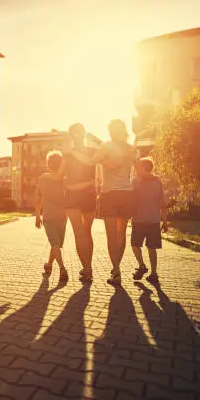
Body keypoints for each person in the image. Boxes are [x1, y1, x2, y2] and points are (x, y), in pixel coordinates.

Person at [69, 119, 137, 286]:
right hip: (127, 194)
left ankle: (116, 270)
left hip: (110, 195)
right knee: (121, 235)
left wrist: (71, 152)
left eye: (112, 130)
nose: (111, 133)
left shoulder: (106, 147)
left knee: (112, 236)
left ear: (115, 131)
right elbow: (129, 166)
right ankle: (116, 269)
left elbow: (89, 162)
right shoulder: (131, 149)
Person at [60, 123, 99, 282]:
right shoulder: (67, 155)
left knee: (86, 232)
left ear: (84, 132)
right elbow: (61, 175)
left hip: (88, 195)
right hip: (73, 196)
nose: (77, 134)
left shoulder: (92, 152)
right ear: (71, 135)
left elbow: (94, 170)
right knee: (79, 233)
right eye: (74, 132)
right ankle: (87, 268)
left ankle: (87, 267)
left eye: (79, 131)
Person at [131, 158, 169, 284]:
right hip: (153, 219)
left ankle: (143, 266)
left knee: (135, 245)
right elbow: (162, 203)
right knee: (150, 247)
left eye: (138, 168)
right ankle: (153, 273)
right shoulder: (157, 181)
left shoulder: (135, 182)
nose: (136, 170)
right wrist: (165, 221)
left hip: (140, 219)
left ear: (143, 168)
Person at [34, 150, 68, 282]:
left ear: (48, 164)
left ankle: (49, 265)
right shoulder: (64, 180)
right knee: (56, 244)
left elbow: (38, 198)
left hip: (49, 216)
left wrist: (37, 216)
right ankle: (62, 269)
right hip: (62, 217)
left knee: (55, 244)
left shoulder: (43, 178)